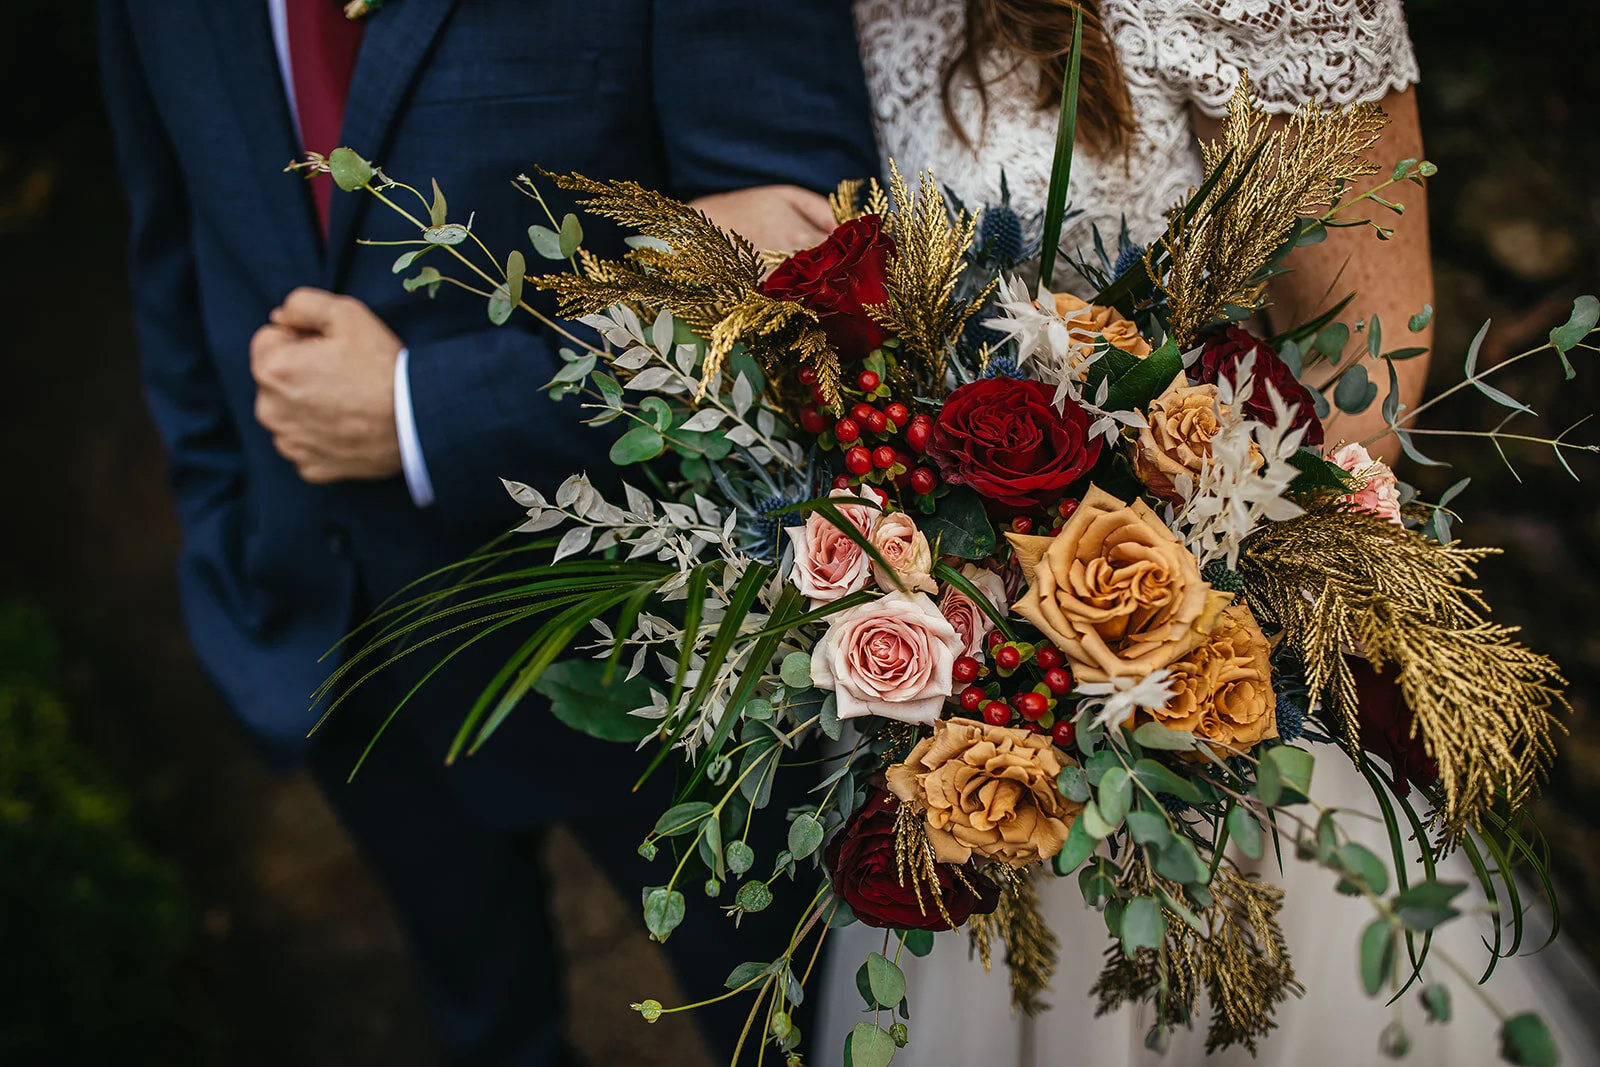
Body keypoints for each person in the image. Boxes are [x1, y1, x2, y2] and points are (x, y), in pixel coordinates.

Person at [817, 1, 1600, 1064]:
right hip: (970, 727)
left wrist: (1149, 601)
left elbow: (1369, 367)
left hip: (1194, 693)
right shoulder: (855, 15)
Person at [98, 2, 876, 1063]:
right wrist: (224, 528)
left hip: (653, 652)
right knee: (481, 1017)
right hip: (331, 625)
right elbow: (177, 248)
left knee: (777, 1030)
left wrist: (424, 407)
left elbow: (812, 276)